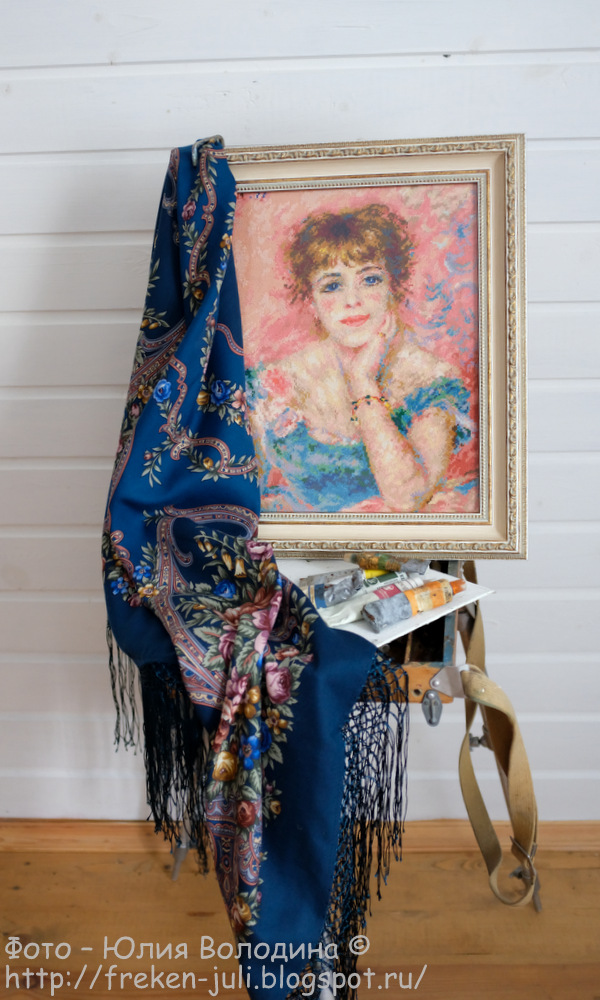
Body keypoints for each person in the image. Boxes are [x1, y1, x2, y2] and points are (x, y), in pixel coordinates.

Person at [245, 203, 478, 514]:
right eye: (332, 286)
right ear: (312, 302)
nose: (352, 300)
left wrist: (363, 381)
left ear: (393, 287)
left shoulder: (429, 380)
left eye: (370, 280)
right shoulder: (276, 384)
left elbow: (406, 498)